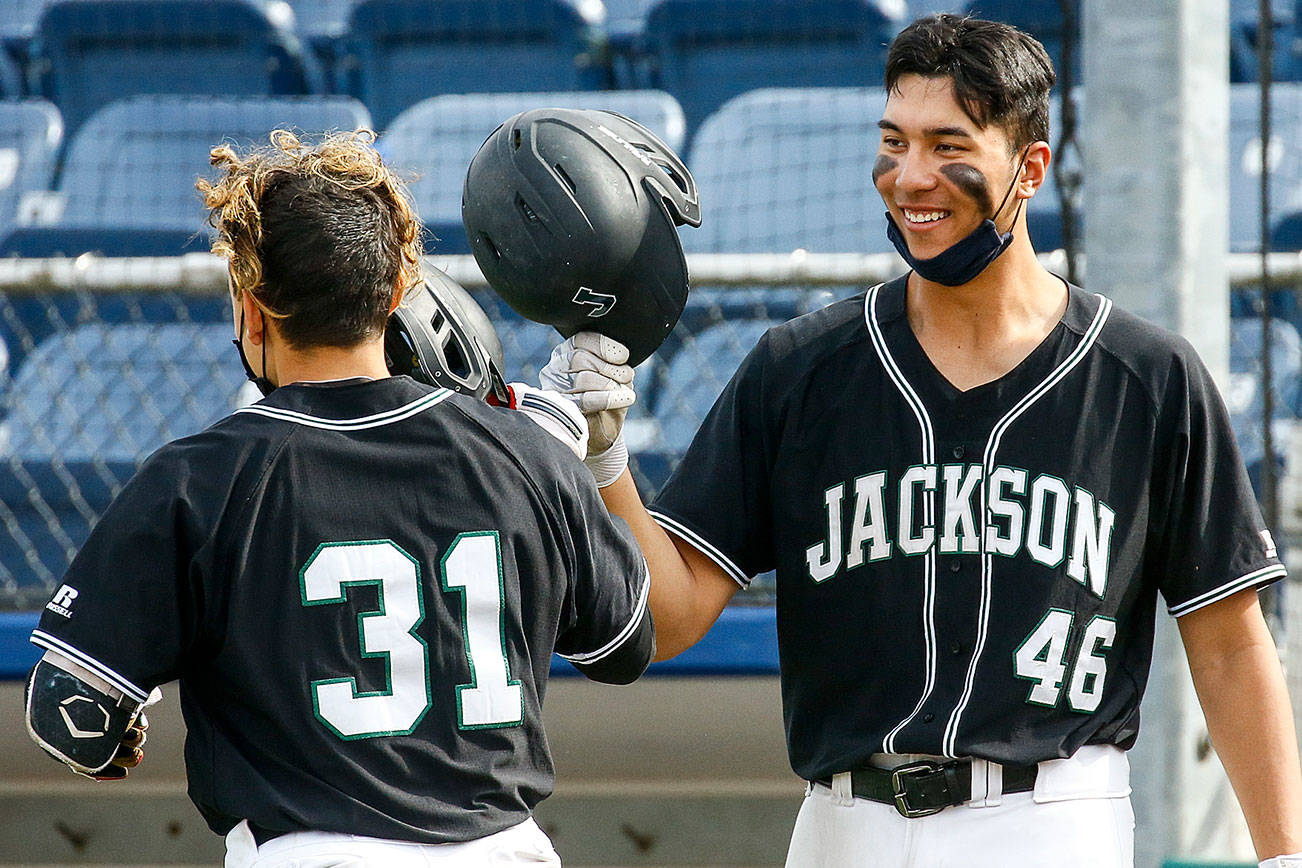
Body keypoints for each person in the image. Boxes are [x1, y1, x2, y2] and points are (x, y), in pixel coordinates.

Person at [542, 14, 1302, 868]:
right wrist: (606, 463)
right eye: (894, 141)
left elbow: (1232, 641)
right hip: (843, 821)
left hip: (1050, 816)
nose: (910, 176)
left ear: (1031, 168)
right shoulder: (799, 369)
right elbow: (671, 618)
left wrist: (1281, 856)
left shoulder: (1147, 376)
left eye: (948, 144)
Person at [24, 129, 653, 867]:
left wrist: (108, 736)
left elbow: (70, 716)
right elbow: (623, 644)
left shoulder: (199, 480)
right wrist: (569, 453)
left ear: (252, 309)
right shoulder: (525, 455)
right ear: (394, 293)